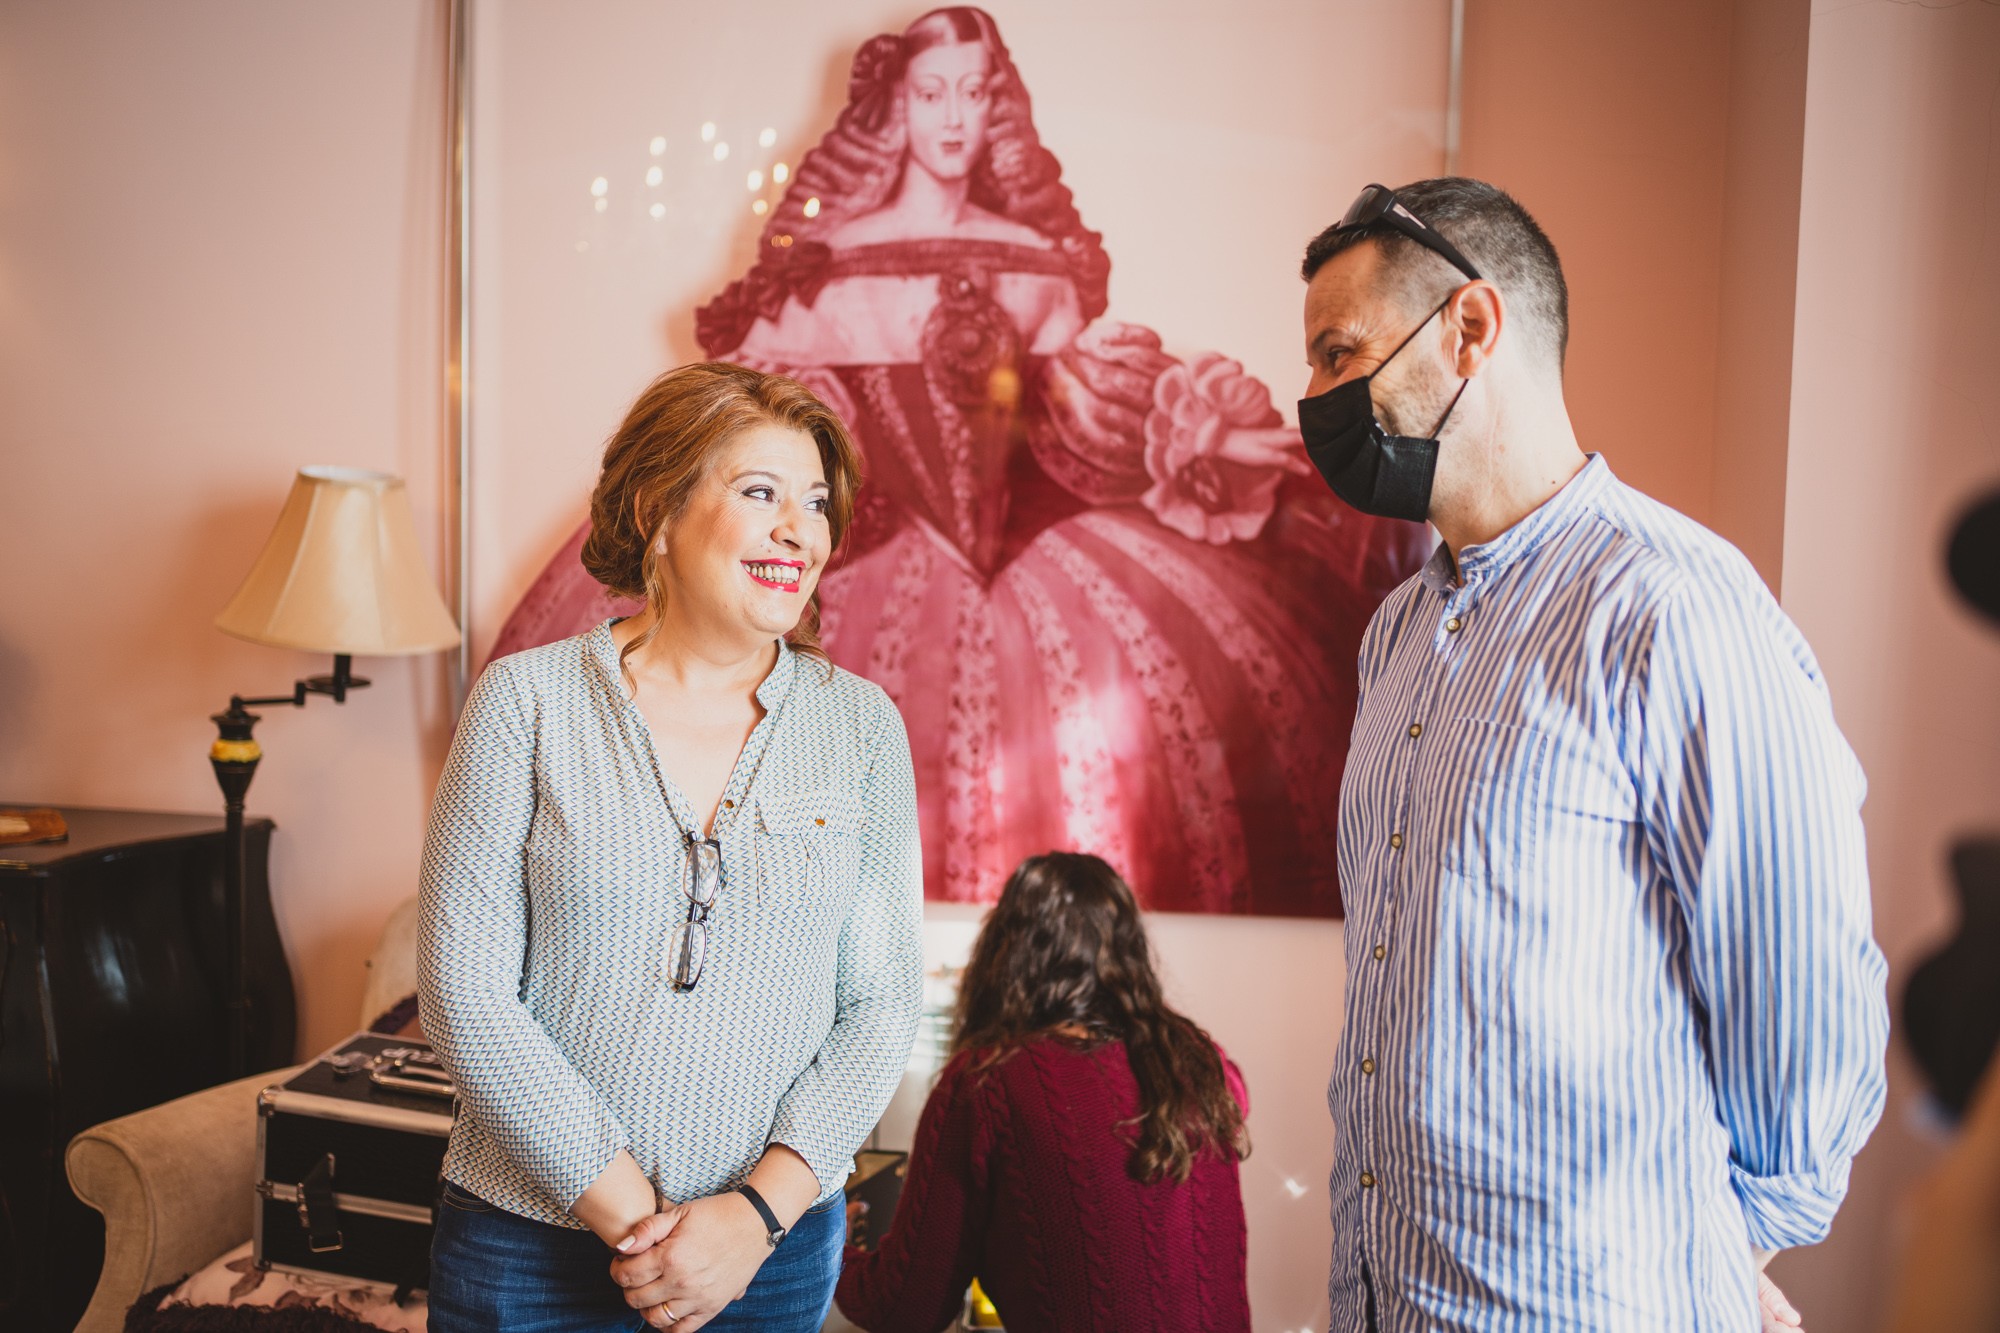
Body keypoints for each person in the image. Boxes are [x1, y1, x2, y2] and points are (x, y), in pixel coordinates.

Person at [485, 5, 1427, 918]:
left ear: (995, 111)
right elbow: (767, 438)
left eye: (972, 95)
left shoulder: (1034, 261)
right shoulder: (825, 266)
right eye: (931, 93)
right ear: (893, 110)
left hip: (1043, 552)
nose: (952, 117)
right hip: (881, 554)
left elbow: (1094, 416)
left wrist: (1214, 438)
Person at [1295, 178, 1889, 1330]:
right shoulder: (1395, 637)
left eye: (1337, 353)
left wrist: (1708, 1246)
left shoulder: (1674, 609)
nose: (1311, 398)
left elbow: (1799, 1002)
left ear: (1469, 329)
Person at [418, 362, 923, 1333]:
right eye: (759, 492)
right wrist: (648, 1228)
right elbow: (462, 995)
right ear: (658, 504)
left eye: (814, 502)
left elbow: (881, 1001)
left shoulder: (860, 725)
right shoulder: (525, 702)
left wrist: (750, 1218)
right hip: (526, 1245)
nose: (799, 530)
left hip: (765, 1256)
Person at [830, 852, 1253, 1332]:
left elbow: (905, 1310)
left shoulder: (988, 1083)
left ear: (1007, 953)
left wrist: (828, 1243)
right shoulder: (1204, 1063)